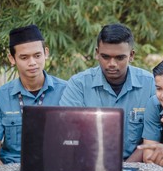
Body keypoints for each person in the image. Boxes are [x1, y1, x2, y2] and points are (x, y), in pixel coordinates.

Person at [59, 23, 155, 162]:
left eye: (119, 58)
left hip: (135, 166)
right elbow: (68, 133)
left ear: (131, 55)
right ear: (97, 53)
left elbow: (151, 141)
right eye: (105, 57)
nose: (112, 64)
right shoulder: (78, 84)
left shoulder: (149, 84)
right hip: (87, 163)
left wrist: (123, 169)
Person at [0, 24, 67, 166]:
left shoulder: (67, 91)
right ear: (12, 58)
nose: (32, 62)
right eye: (24, 57)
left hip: (55, 168)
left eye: (37, 55)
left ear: (46, 53)